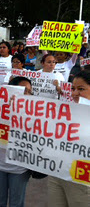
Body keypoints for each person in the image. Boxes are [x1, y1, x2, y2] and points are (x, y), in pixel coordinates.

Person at [47, 70, 90, 207]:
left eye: (81, 89)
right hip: (57, 174)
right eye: (73, 88)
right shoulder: (65, 111)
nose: (74, 93)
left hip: (82, 180)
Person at [0, 76, 32, 207]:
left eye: (29, 91)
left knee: (16, 204)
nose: (26, 94)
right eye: (23, 90)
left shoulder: (35, 113)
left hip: (19, 168)